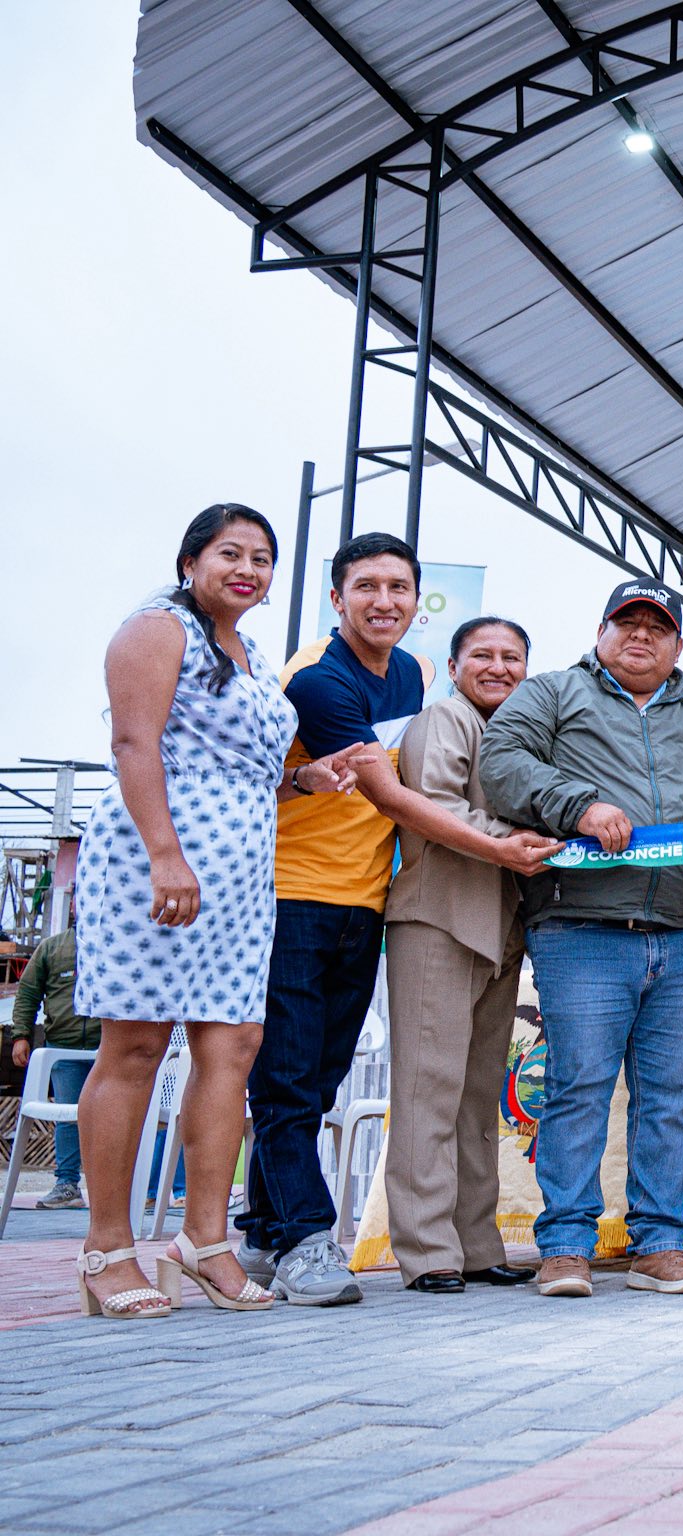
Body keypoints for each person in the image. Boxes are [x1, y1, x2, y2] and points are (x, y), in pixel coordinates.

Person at [239, 532, 557, 1307]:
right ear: (338, 596)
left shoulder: (411, 677)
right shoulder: (327, 680)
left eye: (399, 588)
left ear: (417, 602)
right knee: (340, 1085)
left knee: (349, 1083)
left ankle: (270, 1233)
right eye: (367, 587)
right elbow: (403, 799)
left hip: (367, 899)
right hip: (302, 895)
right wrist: (506, 844)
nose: (384, 601)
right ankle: (364, 1243)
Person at [69, 505, 347, 1318]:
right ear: (190, 561)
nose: (247, 570)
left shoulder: (250, 654)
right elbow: (135, 745)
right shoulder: (158, 629)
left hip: (242, 877)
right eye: (231, 553)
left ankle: (203, 1241)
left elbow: (239, 769)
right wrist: (164, 852)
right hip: (156, 864)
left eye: (262, 558)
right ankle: (106, 1249)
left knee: (233, 1047)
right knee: (136, 1045)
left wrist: (302, 780)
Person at [480, 579, 683, 1300]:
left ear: (678, 645)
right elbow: (501, 761)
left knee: (668, 1098)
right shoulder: (553, 693)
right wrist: (579, 806)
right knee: (577, 1089)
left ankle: (659, 1246)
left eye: (657, 627)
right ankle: (566, 1247)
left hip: (682, 934)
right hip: (580, 927)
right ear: (600, 633)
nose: (641, 635)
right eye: (626, 622)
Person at [377, 617, 560, 1294]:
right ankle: (427, 1249)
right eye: (482, 655)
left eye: (512, 656)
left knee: (478, 1096)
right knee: (428, 1091)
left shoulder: (518, 734)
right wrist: (520, 839)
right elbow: (435, 806)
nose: (498, 667)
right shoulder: (444, 721)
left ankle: (477, 1244)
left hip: (501, 926)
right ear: (453, 666)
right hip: (440, 920)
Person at [9, 928, 102, 1209]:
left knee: (114, 1115)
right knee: (66, 1114)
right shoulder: (51, 948)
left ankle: (114, 1190)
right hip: (62, 1047)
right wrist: (20, 1035)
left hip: (109, 1048)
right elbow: (28, 992)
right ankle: (67, 1184)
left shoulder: (113, 941)